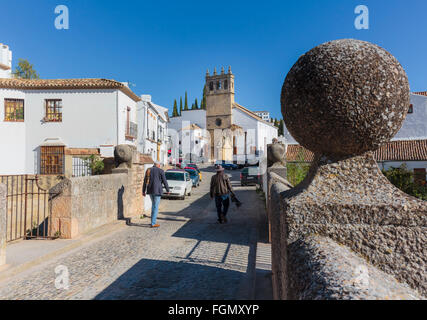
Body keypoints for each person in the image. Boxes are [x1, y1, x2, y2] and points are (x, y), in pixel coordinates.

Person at [142, 161, 170, 228]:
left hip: (150, 190)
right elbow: (164, 181)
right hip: (157, 191)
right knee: (155, 206)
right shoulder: (161, 171)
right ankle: (153, 223)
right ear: (159, 165)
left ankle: (152, 222)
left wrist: (143, 191)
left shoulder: (148, 170)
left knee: (153, 206)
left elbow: (145, 181)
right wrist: (168, 190)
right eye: (160, 165)